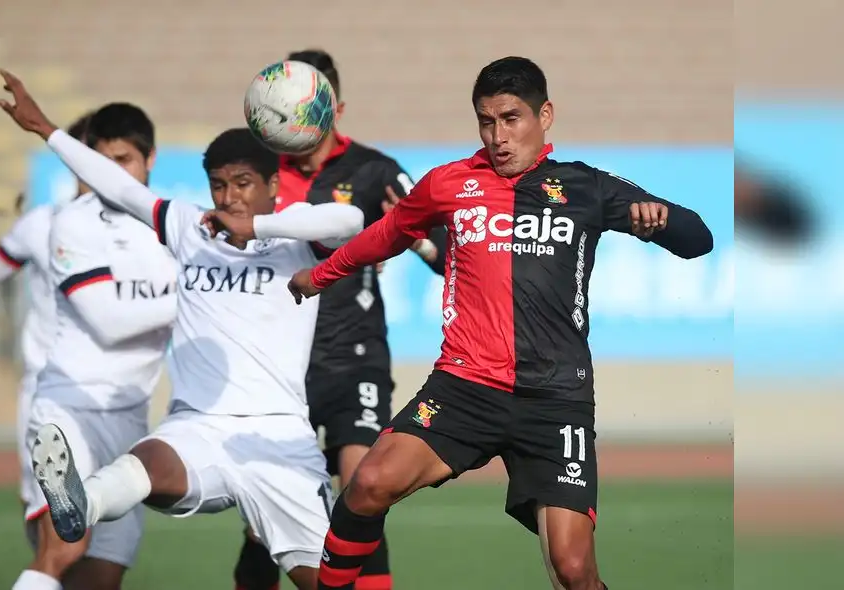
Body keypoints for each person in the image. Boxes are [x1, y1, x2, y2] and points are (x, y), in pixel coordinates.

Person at [288, 56, 715, 590]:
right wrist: (323, 275)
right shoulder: (449, 183)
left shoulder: (586, 187)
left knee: (574, 570)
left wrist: (663, 224)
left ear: (545, 116)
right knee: (369, 482)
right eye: (486, 122)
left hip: (555, 399)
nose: (498, 136)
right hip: (466, 388)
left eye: (511, 118)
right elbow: (389, 232)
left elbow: (700, 238)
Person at [0, 68, 366, 590]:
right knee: (148, 461)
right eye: (219, 185)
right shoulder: (190, 228)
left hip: (278, 436)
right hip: (199, 426)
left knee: (329, 583)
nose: (230, 197)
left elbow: (350, 223)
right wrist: (45, 129)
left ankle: (89, 500)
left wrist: (256, 226)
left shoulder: (296, 239)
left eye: (243, 184)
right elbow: (119, 186)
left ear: (273, 186)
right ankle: (83, 501)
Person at [233, 48, 445, 590]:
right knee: (265, 514)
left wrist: (412, 233)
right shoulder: (258, 174)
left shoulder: (374, 170)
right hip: (281, 363)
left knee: (361, 489)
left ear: (335, 108)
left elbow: (448, 255)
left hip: (355, 357)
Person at [7, 101, 182, 590]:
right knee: (65, 547)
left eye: (123, 160)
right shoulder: (73, 224)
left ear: (150, 158)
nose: (111, 172)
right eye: (101, 160)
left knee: (103, 577)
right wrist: (189, 301)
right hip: (70, 410)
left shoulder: (174, 226)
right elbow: (109, 322)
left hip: (129, 416)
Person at [0, 113, 92, 541]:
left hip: (112, 392)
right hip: (45, 389)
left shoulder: (143, 232)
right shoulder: (40, 224)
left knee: (105, 527)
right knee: (42, 514)